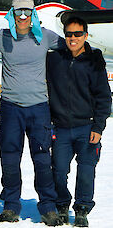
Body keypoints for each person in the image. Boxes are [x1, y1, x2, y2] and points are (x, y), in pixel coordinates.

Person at [0, 0, 65, 226]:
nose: (23, 17)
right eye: (18, 12)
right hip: (11, 108)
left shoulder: (45, 38)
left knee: (42, 159)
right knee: (10, 159)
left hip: (39, 108)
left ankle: (48, 207)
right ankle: (11, 206)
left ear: (33, 15)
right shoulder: (1, 38)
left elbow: (74, 47)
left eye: (27, 12)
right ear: (12, 14)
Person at [46, 16, 111, 227]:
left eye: (77, 34)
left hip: (87, 127)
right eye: (69, 34)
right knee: (58, 169)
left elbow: (103, 97)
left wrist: (98, 126)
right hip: (61, 127)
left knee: (86, 171)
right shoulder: (54, 59)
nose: (73, 38)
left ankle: (82, 210)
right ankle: (62, 205)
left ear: (85, 35)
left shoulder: (94, 62)